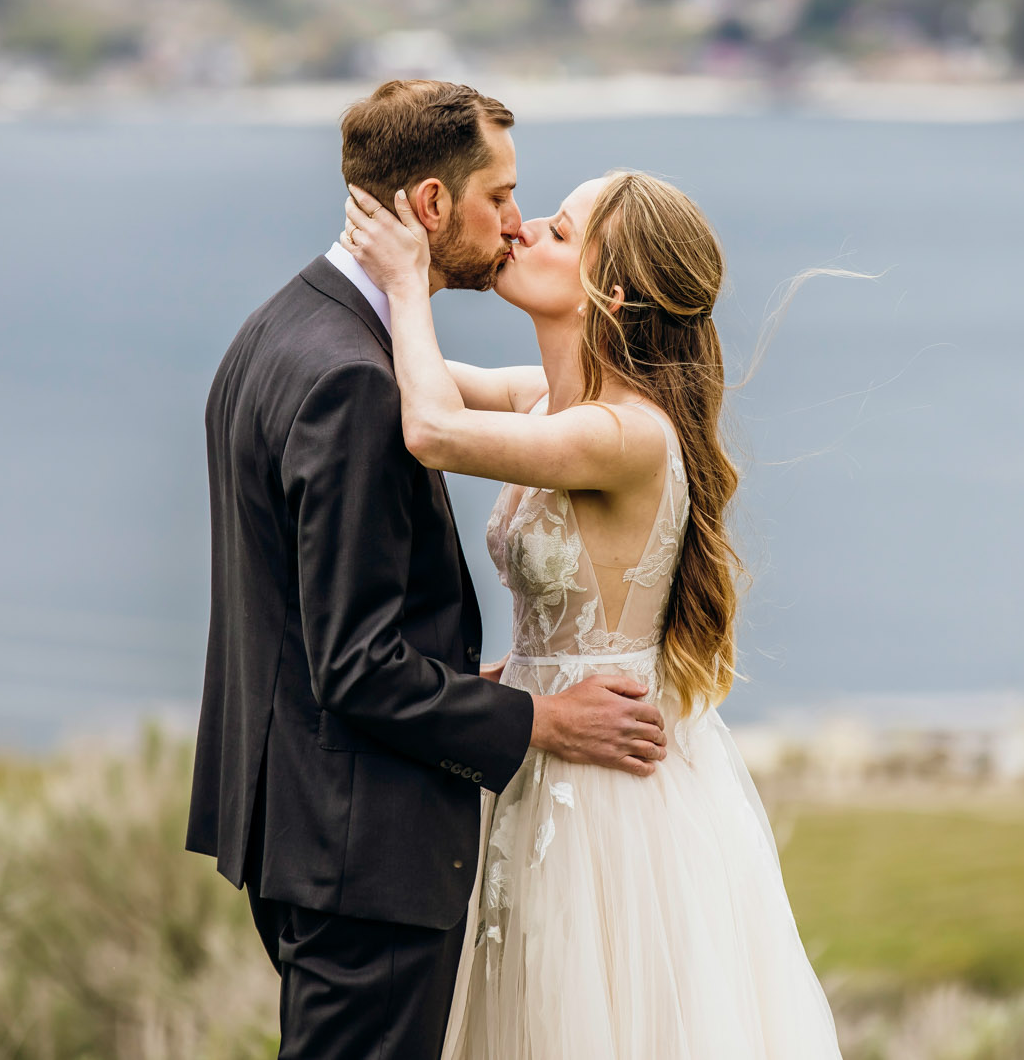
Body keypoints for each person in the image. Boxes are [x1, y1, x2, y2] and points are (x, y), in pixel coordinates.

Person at [186, 80, 670, 1060]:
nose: (515, 222)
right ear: (431, 207)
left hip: (302, 832)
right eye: (500, 197)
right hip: (364, 854)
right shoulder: (355, 382)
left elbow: (311, 623)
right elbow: (355, 665)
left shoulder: (280, 331)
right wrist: (542, 717)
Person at [340, 167, 845, 1058]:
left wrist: (408, 278)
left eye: (561, 231)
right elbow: (398, 371)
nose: (524, 230)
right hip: (538, 752)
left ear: (609, 291)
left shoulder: (626, 434)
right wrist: (369, 279)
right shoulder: (547, 403)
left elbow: (431, 429)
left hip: (606, 798)